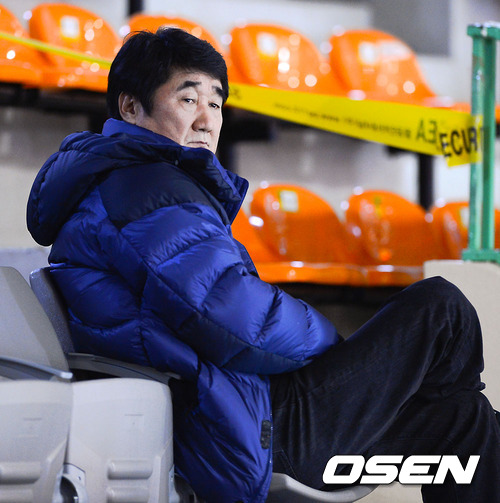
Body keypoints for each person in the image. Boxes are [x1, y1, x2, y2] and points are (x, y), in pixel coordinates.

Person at [27, 28, 500, 503]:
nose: (206, 120)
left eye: (216, 104)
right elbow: (230, 315)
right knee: (442, 309)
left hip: (243, 407)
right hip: (251, 428)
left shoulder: (130, 184)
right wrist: (337, 352)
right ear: (131, 108)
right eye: (188, 99)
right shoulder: (143, 188)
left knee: (466, 420)